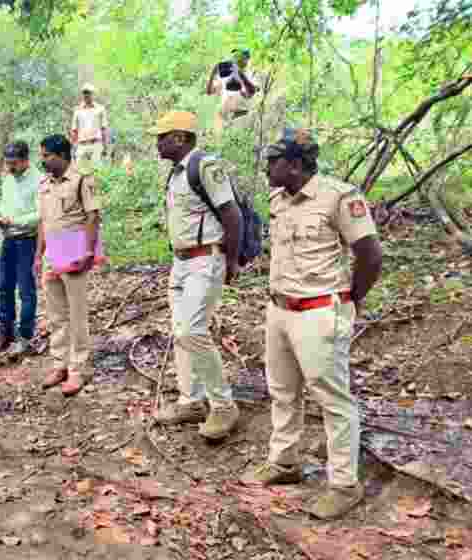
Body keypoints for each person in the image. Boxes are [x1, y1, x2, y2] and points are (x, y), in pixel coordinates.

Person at [241, 128, 383, 520]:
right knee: (283, 390)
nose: (267, 168)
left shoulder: (339, 197)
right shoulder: (278, 200)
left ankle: (343, 485)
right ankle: (284, 463)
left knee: (333, 399)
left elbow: (370, 254)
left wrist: (351, 299)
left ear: (297, 165)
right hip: (280, 310)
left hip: (320, 311)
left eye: (275, 161)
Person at [147, 110, 243, 441]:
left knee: (192, 330)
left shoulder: (204, 165)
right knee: (180, 332)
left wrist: (231, 261)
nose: (157, 142)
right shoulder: (175, 174)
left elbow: (232, 214)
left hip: (206, 260)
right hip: (182, 262)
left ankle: (223, 405)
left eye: (162, 136)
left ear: (180, 138)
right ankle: (191, 400)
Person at [34, 134, 103, 397]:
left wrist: (88, 250)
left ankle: (78, 369)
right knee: (56, 314)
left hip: (74, 248)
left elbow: (92, 216)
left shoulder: (82, 180)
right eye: (42, 155)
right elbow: (43, 221)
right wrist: (38, 255)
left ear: (62, 155)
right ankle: (59, 363)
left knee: (76, 314)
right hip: (52, 251)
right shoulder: (44, 184)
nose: (43, 161)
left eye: (46, 156)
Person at [0, 141, 41, 357]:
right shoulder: (8, 180)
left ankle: (26, 336)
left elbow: (40, 215)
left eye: (14, 163)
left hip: (27, 240)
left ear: (25, 160)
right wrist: (2, 216)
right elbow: (4, 203)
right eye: (7, 163)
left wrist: (17, 221)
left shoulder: (39, 180)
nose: (10, 168)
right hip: (8, 239)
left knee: (26, 291)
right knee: (4, 286)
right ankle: (6, 332)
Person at [206, 48, 259, 136]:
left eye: (240, 57)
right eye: (235, 56)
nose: (236, 59)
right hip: (223, 120)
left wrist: (239, 73)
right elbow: (209, 92)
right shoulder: (225, 76)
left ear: (247, 59)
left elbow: (251, 92)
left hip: (241, 118)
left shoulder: (251, 75)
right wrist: (213, 73)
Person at [70, 83, 109, 173]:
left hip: (96, 144)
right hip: (82, 145)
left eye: (88, 92)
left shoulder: (100, 109)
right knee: (80, 172)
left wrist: (105, 146)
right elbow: (74, 130)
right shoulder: (77, 110)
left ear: (93, 94)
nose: (86, 95)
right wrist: (72, 148)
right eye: (84, 93)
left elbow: (104, 129)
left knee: (97, 171)